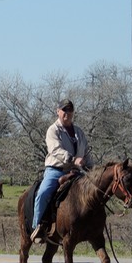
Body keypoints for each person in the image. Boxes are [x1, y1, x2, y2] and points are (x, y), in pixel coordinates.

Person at [31, 98, 93, 243]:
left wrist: (91, 167)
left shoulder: (79, 132)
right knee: (44, 192)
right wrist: (72, 159)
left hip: (77, 172)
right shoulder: (53, 130)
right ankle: (38, 227)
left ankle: (90, 227)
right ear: (58, 111)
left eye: (70, 110)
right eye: (64, 110)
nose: (68, 113)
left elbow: (86, 152)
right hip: (56, 170)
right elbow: (55, 150)